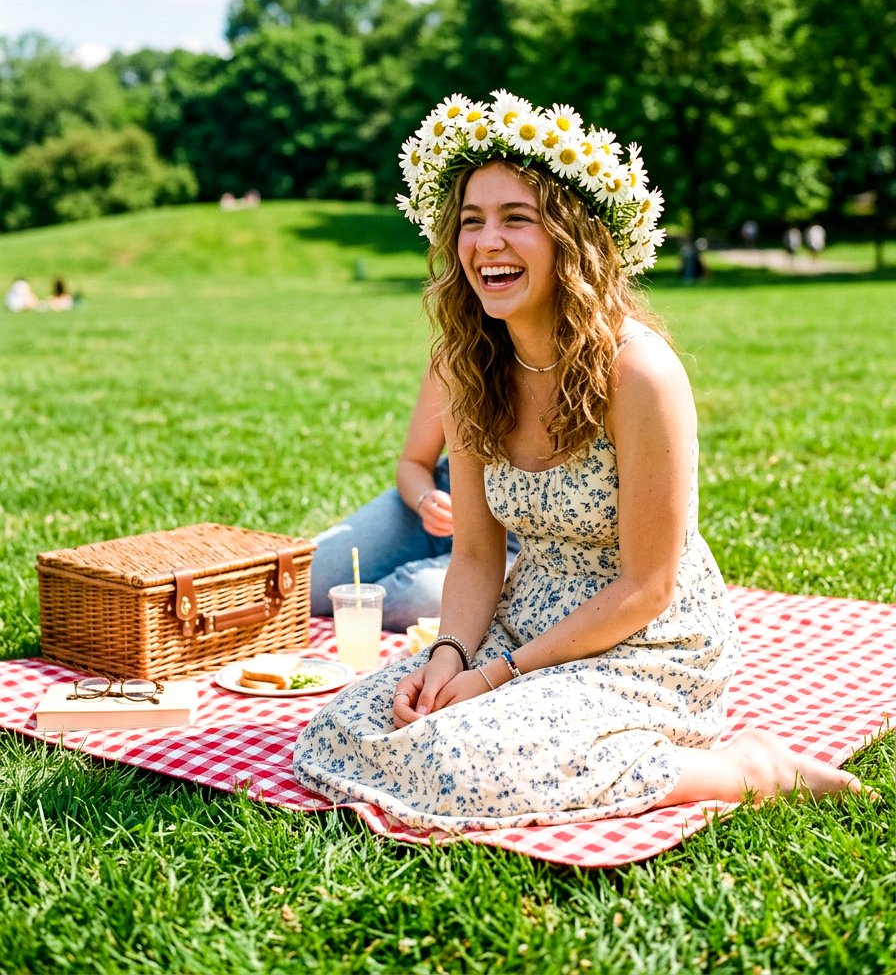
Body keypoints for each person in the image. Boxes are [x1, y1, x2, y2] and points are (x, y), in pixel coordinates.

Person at [294, 89, 866, 830]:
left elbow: (647, 586)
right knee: (357, 722)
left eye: (516, 219)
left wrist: (497, 676)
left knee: (463, 763)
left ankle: (747, 768)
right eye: (471, 222)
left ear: (571, 236)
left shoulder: (640, 373)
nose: (486, 243)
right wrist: (449, 657)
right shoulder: (468, 366)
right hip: (521, 618)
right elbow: (473, 555)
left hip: (646, 641)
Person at [310, 366, 519, 632]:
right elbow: (414, 463)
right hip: (434, 503)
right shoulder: (455, 357)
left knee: (422, 596)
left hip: (510, 543)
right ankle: (344, 605)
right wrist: (425, 498)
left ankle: (349, 609)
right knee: (311, 577)